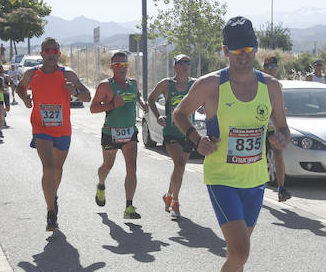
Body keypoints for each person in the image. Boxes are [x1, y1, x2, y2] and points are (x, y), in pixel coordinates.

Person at [172, 16, 290, 272]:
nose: (244, 54)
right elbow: (180, 114)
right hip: (222, 178)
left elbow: (283, 128)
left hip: (254, 181)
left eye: (249, 47)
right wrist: (196, 139)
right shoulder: (211, 86)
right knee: (240, 250)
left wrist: (281, 139)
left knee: (236, 257)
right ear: (225, 50)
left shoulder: (271, 87)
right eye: (236, 49)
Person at [15, 37, 90, 231]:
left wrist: (74, 91)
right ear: (42, 54)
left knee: (57, 169)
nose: (51, 53)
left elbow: (87, 96)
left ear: (59, 53)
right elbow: (19, 87)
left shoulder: (68, 74)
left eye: (55, 50)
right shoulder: (32, 74)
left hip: (63, 130)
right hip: (41, 129)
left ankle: (53, 196)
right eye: (47, 50)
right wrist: (25, 99)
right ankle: (50, 212)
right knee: (48, 168)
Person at [90, 50, 148, 220]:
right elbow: (93, 108)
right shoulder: (106, 86)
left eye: (125, 64)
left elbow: (136, 95)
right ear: (112, 67)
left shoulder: (133, 83)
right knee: (107, 166)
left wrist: (143, 104)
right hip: (111, 132)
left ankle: (129, 207)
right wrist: (112, 105)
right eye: (118, 65)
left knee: (132, 168)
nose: (122, 68)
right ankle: (101, 185)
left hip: (130, 133)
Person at [147, 54, 195, 219]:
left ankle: (168, 195)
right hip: (171, 132)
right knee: (179, 163)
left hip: (188, 132)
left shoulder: (194, 85)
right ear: (175, 66)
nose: (186, 65)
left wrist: (203, 107)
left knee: (179, 168)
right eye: (182, 63)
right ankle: (175, 202)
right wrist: (158, 116)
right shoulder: (167, 84)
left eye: (188, 62)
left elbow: (205, 100)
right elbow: (151, 99)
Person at [261, 56, 292, 202]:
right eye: (270, 67)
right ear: (264, 68)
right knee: (260, 158)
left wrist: (281, 111)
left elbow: (278, 103)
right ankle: (258, 186)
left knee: (278, 155)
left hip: (274, 126)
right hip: (259, 126)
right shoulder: (257, 82)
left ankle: (281, 188)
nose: (273, 70)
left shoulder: (278, 85)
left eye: (275, 67)